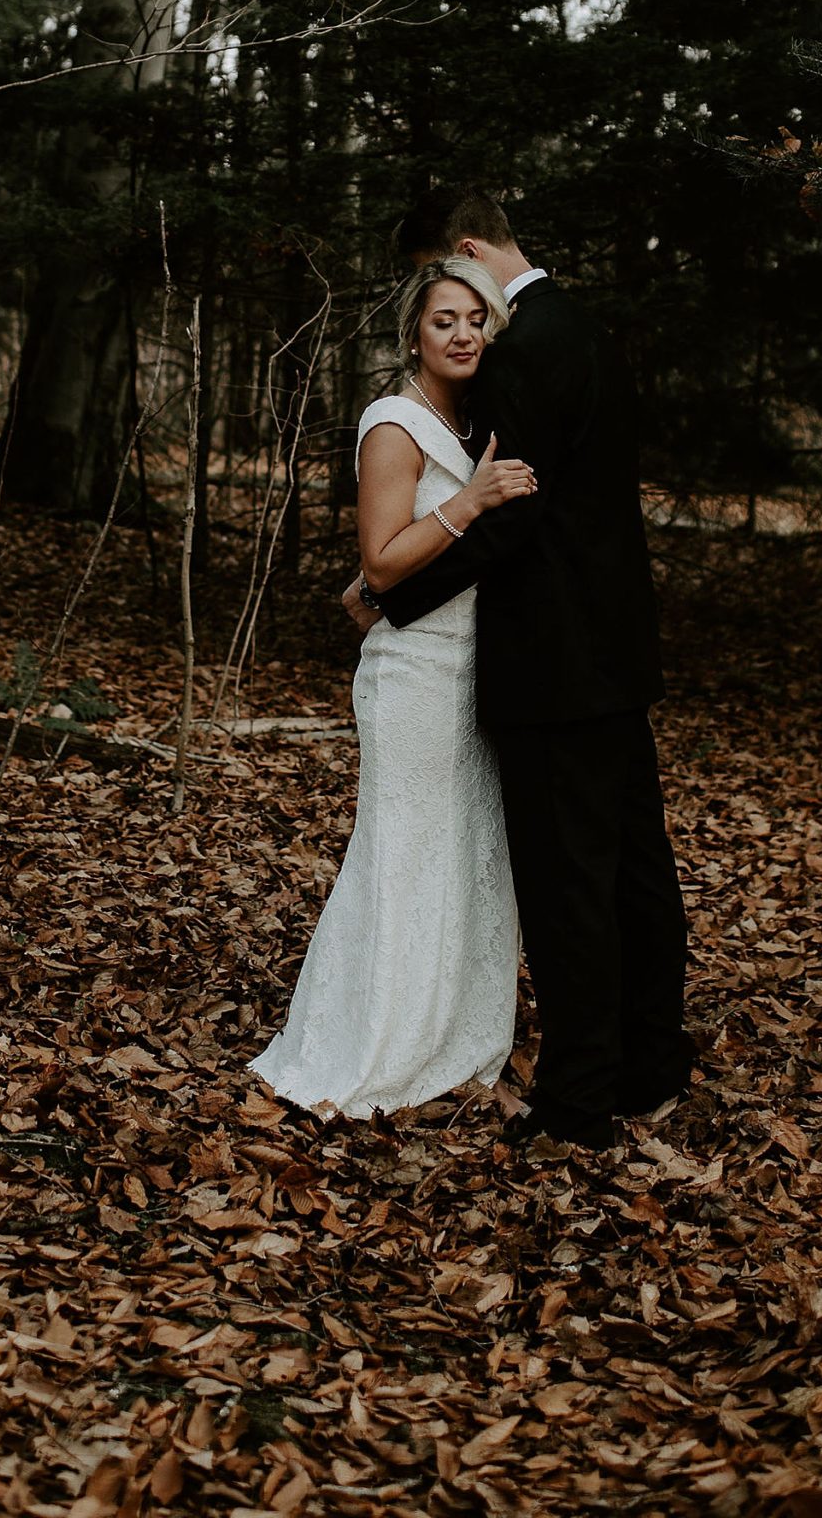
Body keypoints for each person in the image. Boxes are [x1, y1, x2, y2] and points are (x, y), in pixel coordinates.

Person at [344, 187, 692, 1151]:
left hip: (552, 661)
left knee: (569, 878)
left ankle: (580, 1100)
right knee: (632, 867)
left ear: (461, 249)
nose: (450, 312)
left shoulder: (525, 345)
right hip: (614, 650)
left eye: (440, 282)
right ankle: (652, 1061)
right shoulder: (581, 324)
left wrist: (387, 596)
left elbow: (520, 514)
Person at [251, 256, 536, 1117]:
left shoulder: (477, 415)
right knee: (405, 853)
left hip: (476, 669)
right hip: (414, 674)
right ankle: (373, 1041)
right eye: (444, 320)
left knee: (466, 856)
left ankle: (454, 1034)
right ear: (414, 331)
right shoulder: (394, 421)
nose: (461, 335)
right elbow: (380, 560)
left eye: (475, 321)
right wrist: (473, 500)